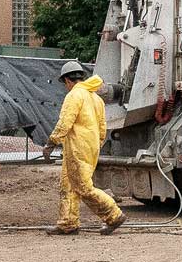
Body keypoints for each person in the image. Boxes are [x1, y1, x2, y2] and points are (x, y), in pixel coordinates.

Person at [41, 60, 126, 236]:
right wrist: (96, 144)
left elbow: (65, 122)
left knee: (83, 187)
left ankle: (113, 215)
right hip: (90, 147)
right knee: (68, 184)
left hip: (77, 149)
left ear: (67, 80)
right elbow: (103, 128)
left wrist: (51, 143)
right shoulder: (96, 98)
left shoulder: (74, 96)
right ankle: (68, 223)